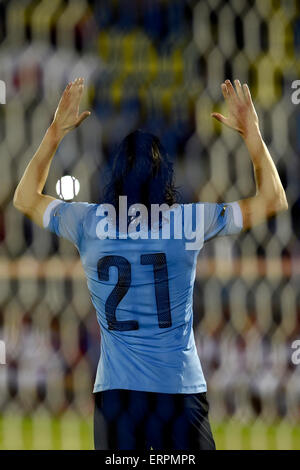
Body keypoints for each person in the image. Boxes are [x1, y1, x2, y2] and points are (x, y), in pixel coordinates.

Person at [13, 78, 288, 450]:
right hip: (177, 392)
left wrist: (54, 131)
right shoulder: (188, 223)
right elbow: (273, 199)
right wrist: (252, 132)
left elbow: (25, 197)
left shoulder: (89, 223)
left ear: (115, 178)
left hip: (117, 397)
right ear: (165, 178)